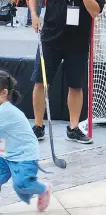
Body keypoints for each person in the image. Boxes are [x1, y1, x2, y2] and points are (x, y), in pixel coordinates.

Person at [29, 0, 105, 144]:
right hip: (50, 38)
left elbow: (95, 11)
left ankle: (73, 128)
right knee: (40, 81)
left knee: (76, 85)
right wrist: (34, 15)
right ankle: (38, 125)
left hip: (78, 41)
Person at [0, 70, 52, 211]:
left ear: (4, 93)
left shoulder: (5, 111)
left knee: (22, 184)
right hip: (7, 153)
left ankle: (43, 188)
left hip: (24, 155)